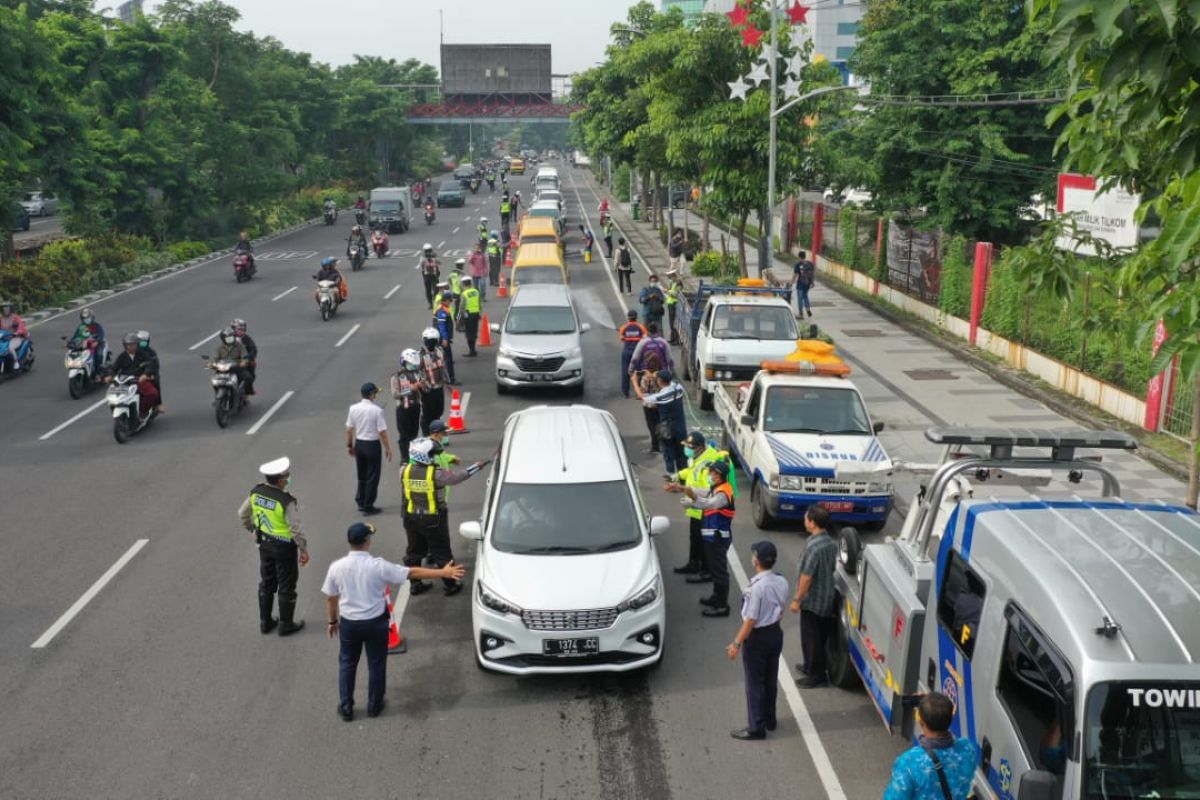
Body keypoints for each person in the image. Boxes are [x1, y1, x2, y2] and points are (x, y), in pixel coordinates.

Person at [322, 521, 465, 722]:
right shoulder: (378, 566)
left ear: (348, 541)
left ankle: (346, 706)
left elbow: (331, 598)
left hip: (350, 625)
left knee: (347, 663)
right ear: (367, 542)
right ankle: (374, 705)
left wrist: (332, 621)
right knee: (376, 664)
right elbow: (412, 573)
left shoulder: (336, 568)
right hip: (375, 623)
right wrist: (443, 573)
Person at [400, 438, 489, 597]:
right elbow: (458, 476)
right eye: (432, 454)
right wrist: (476, 467)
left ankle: (415, 584)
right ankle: (450, 584)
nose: (434, 457)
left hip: (411, 518)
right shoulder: (435, 474)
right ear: (423, 456)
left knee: (414, 551)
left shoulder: (404, 470)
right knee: (441, 552)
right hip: (433, 519)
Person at [237, 456, 309, 636]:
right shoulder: (286, 500)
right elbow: (296, 529)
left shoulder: (256, 492)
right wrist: (303, 549)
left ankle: (265, 622)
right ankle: (286, 625)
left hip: (264, 544)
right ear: (280, 481)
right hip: (284, 547)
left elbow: (242, 514)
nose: (288, 479)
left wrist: (253, 530)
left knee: (267, 582)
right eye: (286, 476)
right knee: (286, 584)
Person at [727, 540, 789, 740]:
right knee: (770, 679)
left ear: (757, 561)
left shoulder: (757, 588)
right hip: (775, 633)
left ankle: (756, 727)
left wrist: (736, 643)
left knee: (754, 684)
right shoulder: (781, 581)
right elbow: (781, 609)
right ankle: (770, 719)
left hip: (758, 638)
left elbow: (751, 619)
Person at [883, 692, 980, 800]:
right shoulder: (968, 750)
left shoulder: (908, 763)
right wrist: (936, 705)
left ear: (921, 723)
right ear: (950, 720)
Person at [664, 431, 733, 581]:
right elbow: (692, 471)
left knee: (706, 541)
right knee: (695, 538)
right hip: (697, 508)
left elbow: (710, 491)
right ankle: (694, 563)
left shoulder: (709, 463)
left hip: (705, 509)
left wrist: (692, 501)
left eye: (690, 447)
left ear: (699, 448)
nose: (686, 449)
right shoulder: (699, 458)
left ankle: (707, 571)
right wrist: (677, 476)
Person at [790, 504, 838, 687]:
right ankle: (810, 666)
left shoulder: (813, 547)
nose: (804, 521)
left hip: (813, 600)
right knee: (820, 636)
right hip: (827, 597)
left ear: (812, 523)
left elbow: (807, 576)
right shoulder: (830, 542)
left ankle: (816, 675)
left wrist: (797, 599)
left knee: (812, 639)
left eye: (805, 518)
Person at [681, 460, 736, 617]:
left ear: (719, 475)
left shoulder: (723, 494)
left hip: (718, 539)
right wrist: (683, 488)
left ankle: (721, 606)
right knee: (714, 569)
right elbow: (703, 492)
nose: (710, 475)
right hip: (712, 537)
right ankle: (716, 597)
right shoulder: (716, 488)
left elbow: (707, 504)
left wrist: (692, 500)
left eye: (712, 472)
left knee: (719, 573)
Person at [345, 382, 393, 515]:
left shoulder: (353, 409)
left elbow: (349, 430)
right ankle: (368, 505)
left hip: (359, 444)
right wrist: (388, 448)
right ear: (371, 394)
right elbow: (382, 433)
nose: (376, 396)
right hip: (372, 445)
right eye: (375, 393)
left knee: (362, 474)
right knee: (373, 476)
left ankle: (360, 500)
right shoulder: (377, 410)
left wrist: (350, 445)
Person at [107, 332, 160, 416]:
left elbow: (149, 365)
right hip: (124, 381)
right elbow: (114, 368)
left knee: (152, 393)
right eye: (129, 344)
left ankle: (143, 411)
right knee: (112, 395)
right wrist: (110, 376)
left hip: (139, 380)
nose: (131, 346)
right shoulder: (122, 356)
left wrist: (145, 374)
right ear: (125, 345)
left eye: (133, 344)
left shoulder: (143, 354)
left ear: (137, 344)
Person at [391, 349, 426, 465]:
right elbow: (396, 394)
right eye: (411, 364)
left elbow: (424, 389)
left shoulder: (418, 374)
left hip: (416, 407)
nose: (413, 367)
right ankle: (404, 458)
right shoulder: (397, 376)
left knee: (414, 434)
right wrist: (411, 388)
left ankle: (413, 456)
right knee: (404, 436)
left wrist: (423, 386)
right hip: (403, 409)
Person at [418, 327, 449, 435]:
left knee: (438, 412)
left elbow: (443, 368)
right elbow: (417, 373)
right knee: (427, 415)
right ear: (425, 341)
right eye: (429, 340)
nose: (431, 343)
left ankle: (436, 435)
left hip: (439, 388)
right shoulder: (420, 355)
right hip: (427, 390)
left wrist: (447, 383)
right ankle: (426, 436)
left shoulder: (440, 351)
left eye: (433, 340)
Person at [635, 353, 664, 454]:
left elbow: (642, 393)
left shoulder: (646, 377)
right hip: (660, 404)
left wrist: (635, 382)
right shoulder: (661, 375)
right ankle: (662, 445)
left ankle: (655, 446)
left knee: (652, 425)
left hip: (649, 405)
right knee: (659, 423)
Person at [618, 309, 647, 399]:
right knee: (639, 371)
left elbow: (622, 339)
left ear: (628, 317)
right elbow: (645, 338)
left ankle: (625, 392)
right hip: (638, 353)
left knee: (626, 372)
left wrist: (628, 337)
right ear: (636, 317)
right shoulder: (641, 327)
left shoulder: (624, 327)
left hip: (627, 352)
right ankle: (639, 392)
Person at [211, 326, 250, 392]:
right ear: (223, 339)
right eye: (228, 338)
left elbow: (245, 356)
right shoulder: (219, 348)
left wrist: (243, 362)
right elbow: (215, 358)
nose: (230, 340)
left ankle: (244, 397)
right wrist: (212, 364)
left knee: (248, 377)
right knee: (215, 380)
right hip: (222, 369)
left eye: (231, 338)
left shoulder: (240, 346)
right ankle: (217, 393)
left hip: (236, 368)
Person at [69, 307, 107, 373]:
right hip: (84, 346)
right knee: (75, 355)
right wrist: (70, 342)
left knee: (99, 355)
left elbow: (101, 335)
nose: (87, 320)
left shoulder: (97, 326)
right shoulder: (81, 327)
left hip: (96, 345)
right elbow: (75, 336)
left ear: (92, 317)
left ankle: (97, 373)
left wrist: (97, 342)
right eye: (85, 319)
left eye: (88, 318)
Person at [136, 329, 164, 412]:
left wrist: (150, 374)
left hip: (147, 374)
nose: (142, 344)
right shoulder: (132, 351)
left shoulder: (151, 353)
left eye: (144, 342)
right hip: (134, 373)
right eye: (141, 341)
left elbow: (155, 365)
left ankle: (158, 404)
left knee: (156, 380)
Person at [433, 295, 457, 385]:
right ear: (445, 301)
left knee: (441, 359)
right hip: (442, 339)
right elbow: (442, 327)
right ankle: (451, 379)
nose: (450, 303)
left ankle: (443, 378)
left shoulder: (442, 308)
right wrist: (445, 339)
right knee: (448, 359)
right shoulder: (442, 311)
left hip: (440, 338)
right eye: (449, 301)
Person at [1, 302, 30, 373]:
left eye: (7, 308)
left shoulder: (15, 317)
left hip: (16, 337)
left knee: (11, 348)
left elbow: (21, 325)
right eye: (4, 309)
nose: (6, 310)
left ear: (10, 309)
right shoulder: (1, 318)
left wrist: (17, 332)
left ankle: (16, 361)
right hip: (4, 338)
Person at [231, 318, 257, 396]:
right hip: (230, 362)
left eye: (243, 330)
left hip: (243, 362)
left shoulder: (246, 338)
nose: (241, 331)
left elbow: (253, 349)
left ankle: (247, 392)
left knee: (249, 376)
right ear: (233, 329)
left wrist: (249, 358)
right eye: (239, 329)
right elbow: (221, 349)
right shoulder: (228, 338)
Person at [458, 276, 482, 356]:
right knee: (474, 332)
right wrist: (479, 313)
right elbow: (479, 304)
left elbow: (461, 308)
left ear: (464, 284)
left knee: (468, 333)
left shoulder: (464, 294)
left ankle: (472, 351)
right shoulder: (476, 291)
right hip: (476, 314)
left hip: (468, 315)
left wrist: (460, 318)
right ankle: (473, 350)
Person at [793, 250, 815, 319]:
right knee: (805, 296)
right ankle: (808, 309)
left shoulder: (798, 264)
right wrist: (812, 282)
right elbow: (813, 273)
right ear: (805, 256)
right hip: (808, 283)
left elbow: (795, 275)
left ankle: (801, 314)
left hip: (800, 283)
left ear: (799, 257)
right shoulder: (810, 263)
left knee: (800, 298)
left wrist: (791, 282)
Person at [665, 270, 683, 345]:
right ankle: (672, 338)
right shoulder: (672, 283)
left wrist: (668, 292)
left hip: (675, 304)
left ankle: (676, 339)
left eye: (671, 276)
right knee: (671, 322)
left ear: (674, 276)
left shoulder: (678, 284)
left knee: (674, 322)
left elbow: (676, 294)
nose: (670, 278)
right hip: (670, 304)